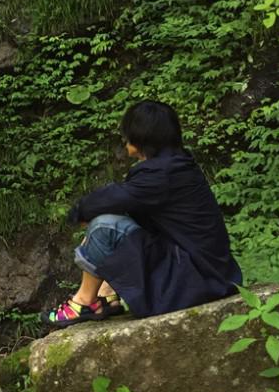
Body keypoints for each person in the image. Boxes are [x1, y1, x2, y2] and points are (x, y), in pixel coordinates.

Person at [47, 100, 242, 327]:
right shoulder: (176, 165)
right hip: (208, 275)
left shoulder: (161, 174)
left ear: (141, 137)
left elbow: (111, 198)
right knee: (118, 222)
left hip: (195, 283)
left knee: (104, 226)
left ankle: (82, 303)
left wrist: (80, 213)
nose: (124, 139)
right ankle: (108, 294)